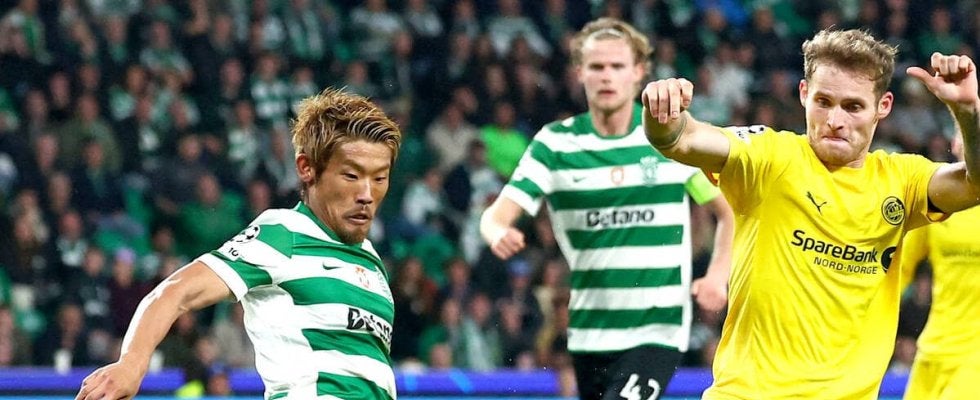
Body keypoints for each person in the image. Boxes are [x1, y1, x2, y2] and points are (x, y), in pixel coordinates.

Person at [641, 28, 980, 399]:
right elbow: (682, 138)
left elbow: (974, 184)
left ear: (883, 106)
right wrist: (663, 115)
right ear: (804, 94)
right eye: (823, 101)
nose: (835, 119)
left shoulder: (903, 182)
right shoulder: (768, 158)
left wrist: (967, 114)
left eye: (853, 107)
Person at [75, 88, 402, 400]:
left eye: (379, 178)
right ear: (307, 168)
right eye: (351, 175)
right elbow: (175, 291)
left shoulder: (372, 262)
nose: (367, 194)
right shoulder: (283, 235)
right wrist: (131, 365)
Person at [480, 18, 735, 400]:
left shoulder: (667, 138)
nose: (606, 76)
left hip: (657, 329)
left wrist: (717, 276)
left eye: (617, 66)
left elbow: (729, 211)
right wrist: (498, 232)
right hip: (589, 333)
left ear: (638, 72)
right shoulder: (555, 145)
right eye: (596, 66)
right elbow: (494, 216)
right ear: (579, 72)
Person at [899, 130, 980, 400]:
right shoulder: (938, 200)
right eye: (969, 132)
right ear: (955, 143)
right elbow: (899, 271)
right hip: (934, 347)